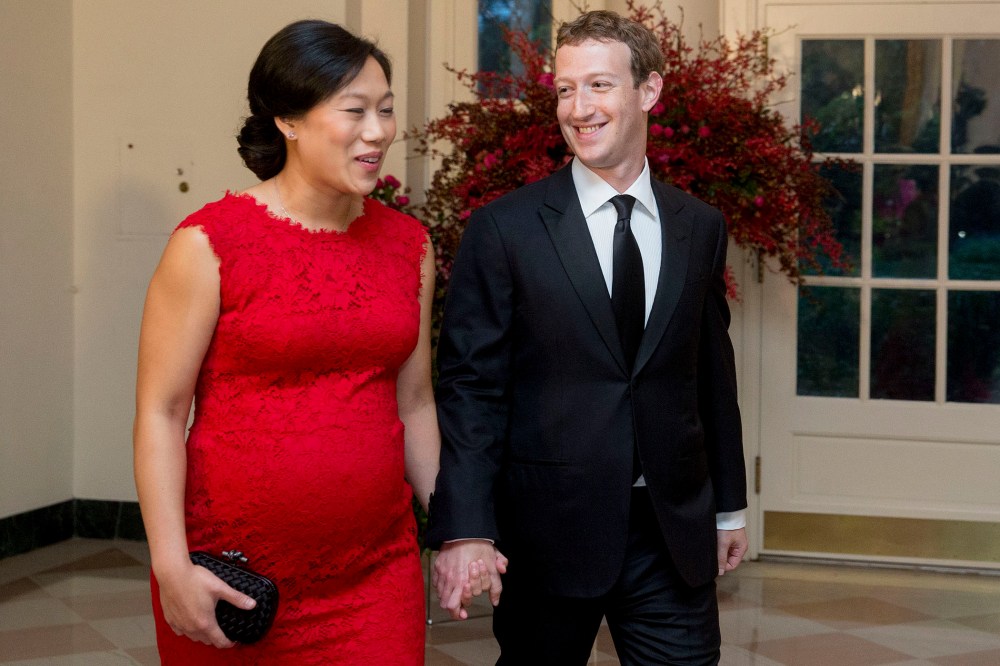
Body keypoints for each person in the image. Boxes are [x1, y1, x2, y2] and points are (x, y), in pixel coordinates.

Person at [427, 10, 748, 665]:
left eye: (599, 86)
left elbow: (712, 373)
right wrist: (465, 527)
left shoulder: (700, 227)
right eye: (565, 90)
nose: (579, 108)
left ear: (649, 92)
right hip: (547, 532)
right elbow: (469, 389)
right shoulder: (505, 230)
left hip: (670, 532)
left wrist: (729, 508)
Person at [133, 20, 439, 664]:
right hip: (234, 580)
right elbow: (161, 415)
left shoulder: (409, 246)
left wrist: (461, 528)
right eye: (355, 111)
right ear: (288, 121)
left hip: (375, 579)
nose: (379, 130)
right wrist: (170, 568)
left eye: (386, 110)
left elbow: (415, 405)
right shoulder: (208, 244)